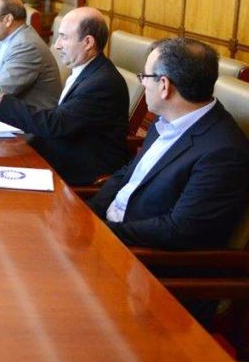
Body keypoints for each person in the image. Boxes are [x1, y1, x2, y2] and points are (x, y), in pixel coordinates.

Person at [88, 38, 249, 250]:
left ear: (164, 86)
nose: (142, 83)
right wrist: (89, 214)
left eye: (144, 76)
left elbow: (178, 231)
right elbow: (130, 173)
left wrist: (101, 231)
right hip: (110, 231)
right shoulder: (167, 118)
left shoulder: (223, 152)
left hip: (139, 255)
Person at [0, 7, 130, 186]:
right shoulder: (86, 70)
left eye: (64, 37)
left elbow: (55, 124)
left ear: (88, 42)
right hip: (57, 154)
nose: (57, 45)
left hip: (76, 172)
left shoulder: (102, 83)